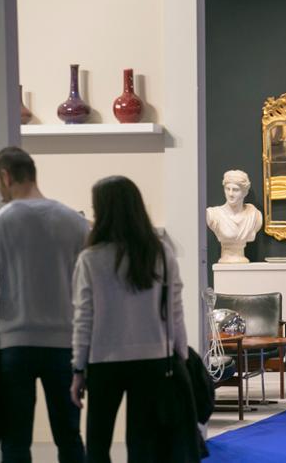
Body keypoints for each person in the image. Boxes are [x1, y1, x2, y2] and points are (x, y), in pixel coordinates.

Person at [69, 176, 198, 462]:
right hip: (153, 360)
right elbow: (175, 310)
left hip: (103, 361)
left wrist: (78, 368)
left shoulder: (91, 259)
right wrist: (180, 354)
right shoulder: (161, 253)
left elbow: (83, 319)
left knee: (98, 443)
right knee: (144, 446)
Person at [0, 146, 87, 463]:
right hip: (64, 344)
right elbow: (86, 289)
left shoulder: (0, 222)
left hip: (13, 344)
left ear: (5, 177)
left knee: (15, 441)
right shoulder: (74, 223)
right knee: (70, 438)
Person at [206, 169, 262, 263]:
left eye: (235, 190)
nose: (230, 194)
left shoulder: (255, 215)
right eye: (227, 189)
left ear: (245, 192)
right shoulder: (213, 215)